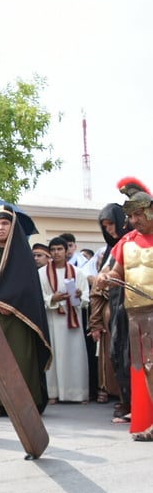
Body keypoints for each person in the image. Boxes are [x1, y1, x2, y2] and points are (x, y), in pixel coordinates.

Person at [0, 206, 52, 417]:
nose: (0, 228)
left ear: (12, 226)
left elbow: (28, 287)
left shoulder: (23, 254)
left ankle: (23, 403)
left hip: (18, 317)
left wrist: (8, 304)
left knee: (20, 359)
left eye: (5, 223)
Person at [96, 178, 153, 440]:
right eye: (130, 215)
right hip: (136, 315)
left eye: (138, 214)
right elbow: (115, 270)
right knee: (147, 370)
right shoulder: (126, 241)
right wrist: (105, 276)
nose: (133, 220)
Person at [87, 203, 130, 410]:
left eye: (112, 224)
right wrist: (95, 321)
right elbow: (97, 286)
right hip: (112, 311)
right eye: (105, 226)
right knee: (117, 355)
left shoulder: (132, 244)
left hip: (135, 308)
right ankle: (124, 400)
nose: (109, 230)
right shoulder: (111, 251)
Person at [39, 236, 90, 404]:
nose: (56, 253)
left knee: (75, 357)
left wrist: (79, 295)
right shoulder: (42, 274)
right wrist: (53, 298)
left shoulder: (78, 272)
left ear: (66, 251)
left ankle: (78, 394)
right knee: (55, 356)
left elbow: (86, 298)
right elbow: (39, 298)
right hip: (52, 320)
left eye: (60, 249)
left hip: (72, 320)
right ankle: (53, 393)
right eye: (53, 250)